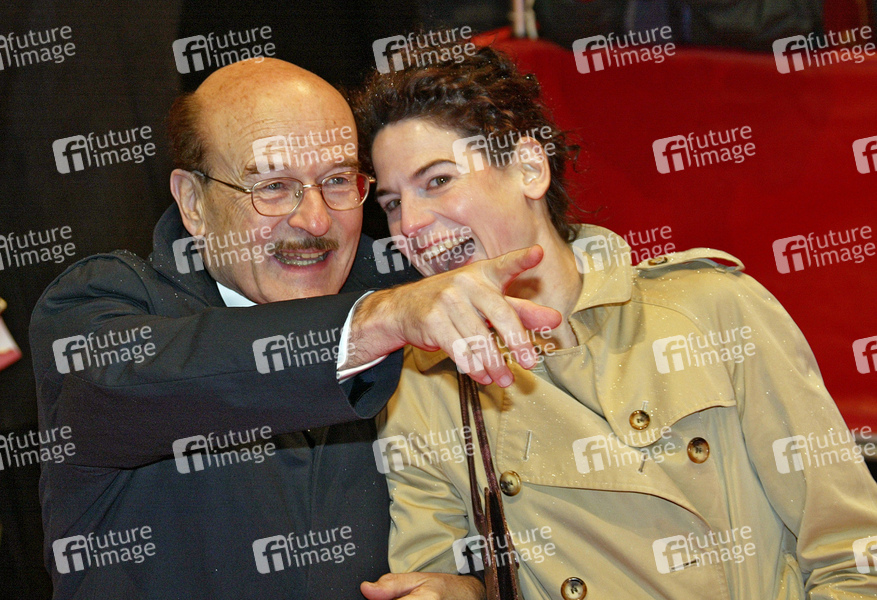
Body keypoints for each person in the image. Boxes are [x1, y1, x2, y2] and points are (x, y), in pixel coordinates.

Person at [353, 45, 877, 599]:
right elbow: (437, 571)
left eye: (437, 181)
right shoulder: (421, 385)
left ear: (529, 168)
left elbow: (852, 552)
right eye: (391, 203)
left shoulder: (711, 307)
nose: (410, 224)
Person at [29, 57, 561, 599]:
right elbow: (144, 381)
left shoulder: (403, 289)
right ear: (194, 202)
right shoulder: (100, 304)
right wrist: (373, 323)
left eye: (337, 181)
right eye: (274, 186)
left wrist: (471, 590)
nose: (315, 220)